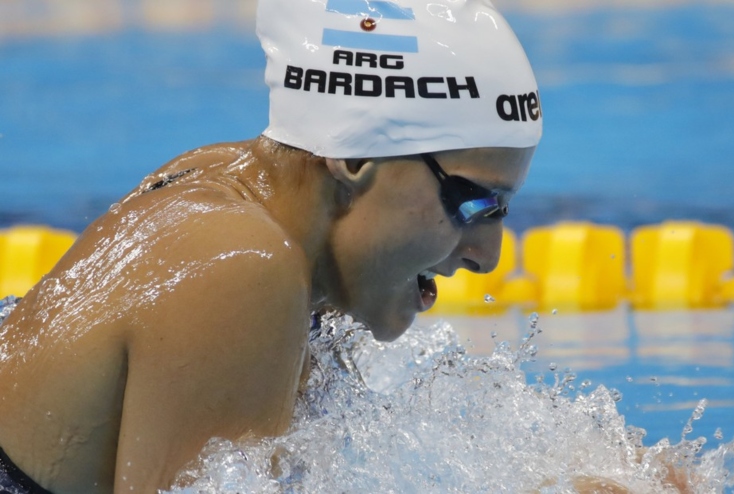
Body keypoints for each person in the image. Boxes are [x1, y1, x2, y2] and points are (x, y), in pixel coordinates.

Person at [0, 0, 541, 491]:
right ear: (354, 159)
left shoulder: (231, 189)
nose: (488, 255)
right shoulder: (239, 264)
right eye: (472, 201)